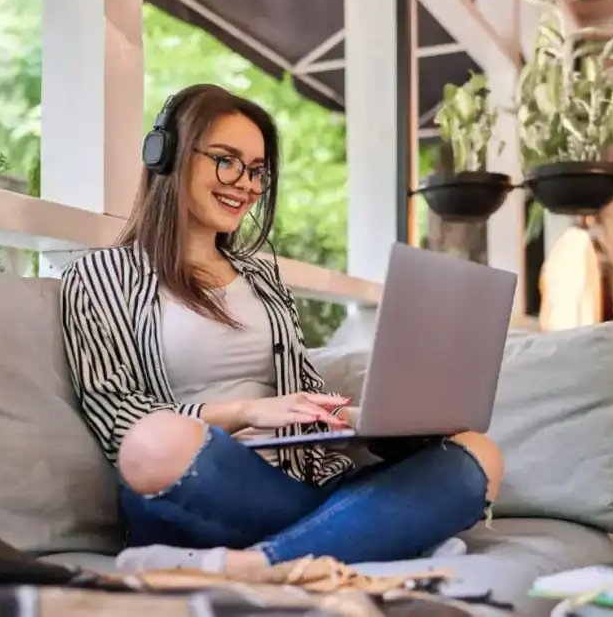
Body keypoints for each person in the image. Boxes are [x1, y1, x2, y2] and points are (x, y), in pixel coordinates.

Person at [61, 83, 504, 574]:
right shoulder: (100, 275)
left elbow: (301, 394)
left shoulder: (262, 278)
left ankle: (259, 563)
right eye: (227, 161)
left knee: (478, 454)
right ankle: (377, 535)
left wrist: (364, 422)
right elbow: (117, 418)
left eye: (257, 171)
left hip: (299, 483)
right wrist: (245, 411)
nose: (246, 185)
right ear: (167, 156)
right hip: (202, 483)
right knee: (155, 442)